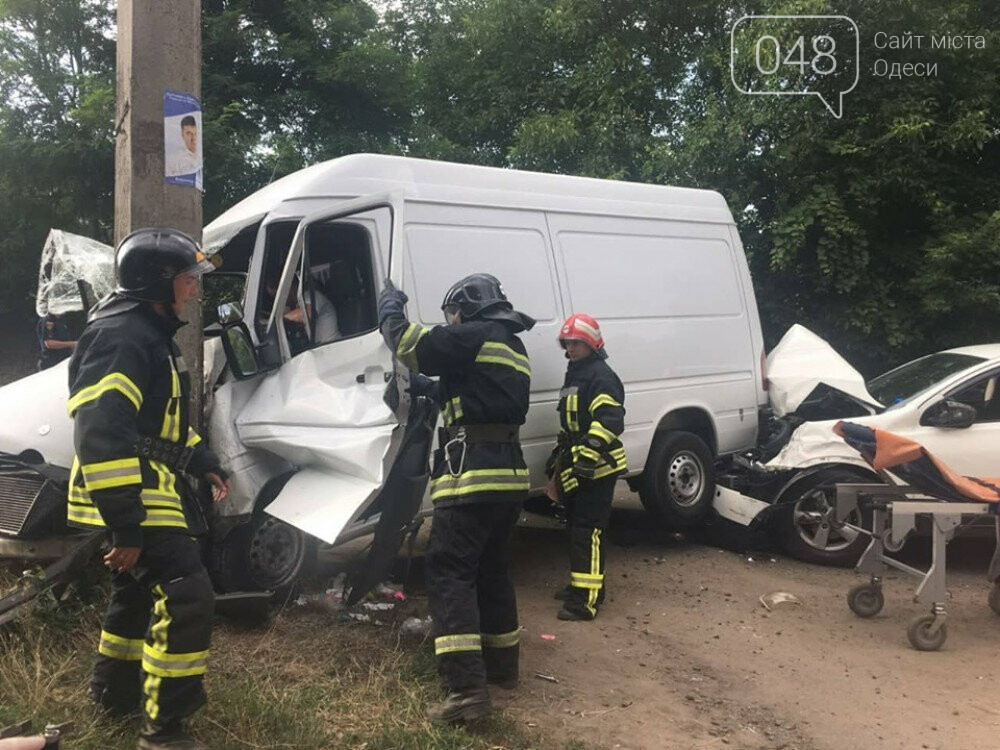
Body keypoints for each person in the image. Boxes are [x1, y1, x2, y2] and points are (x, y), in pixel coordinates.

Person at [67, 228, 231, 750]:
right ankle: (164, 730)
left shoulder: (146, 331)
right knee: (188, 595)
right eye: (188, 280)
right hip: (129, 490)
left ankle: (114, 696)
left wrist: (200, 459)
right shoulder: (124, 336)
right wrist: (126, 523)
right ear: (160, 283)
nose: (193, 289)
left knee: (137, 595)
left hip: (146, 485)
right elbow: (101, 429)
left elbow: (157, 425)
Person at [378, 273, 534, 724]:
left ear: (466, 309)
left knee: (450, 573)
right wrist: (422, 389)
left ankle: (466, 693)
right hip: (507, 477)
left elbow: (408, 343)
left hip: (472, 476)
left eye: (452, 314)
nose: (452, 321)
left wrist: (390, 307)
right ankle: (503, 667)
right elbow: (467, 390)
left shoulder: (472, 334)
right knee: (493, 572)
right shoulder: (510, 346)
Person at [547, 314, 626, 621]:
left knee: (588, 532)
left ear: (592, 343)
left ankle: (586, 602)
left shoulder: (600, 376)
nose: (571, 348)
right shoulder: (578, 372)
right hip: (579, 464)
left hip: (597, 468)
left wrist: (586, 457)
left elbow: (609, 422)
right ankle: (582, 587)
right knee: (577, 528)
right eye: (567, 343)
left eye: (577, 343)